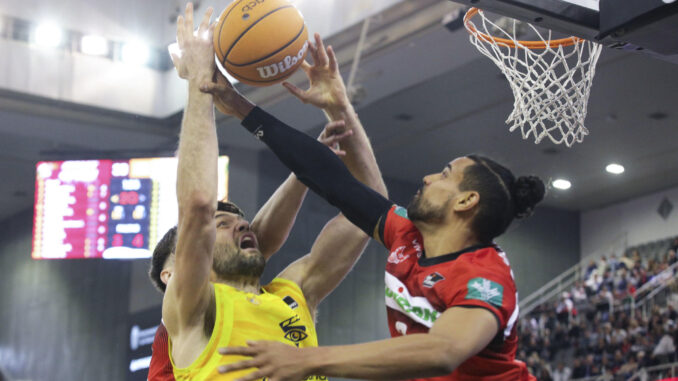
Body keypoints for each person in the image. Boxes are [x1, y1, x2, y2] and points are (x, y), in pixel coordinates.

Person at [202, 38, 545, 381]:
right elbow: (330, 178)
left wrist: (308, 359)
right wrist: (241, 107)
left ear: (466, 201)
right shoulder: (408, 234)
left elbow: (443, 352)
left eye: (444, 175)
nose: (427, 178)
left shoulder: (485, 276)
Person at [155, 4, 387, 380]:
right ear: (175, 270)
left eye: (240, 219)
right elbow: (197, 208)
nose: (243, 224)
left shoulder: (293, 293)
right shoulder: (195, 307)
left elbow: (370, 209)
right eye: (223, 223)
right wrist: (199, 82)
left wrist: (338, 107)